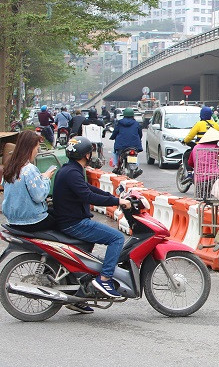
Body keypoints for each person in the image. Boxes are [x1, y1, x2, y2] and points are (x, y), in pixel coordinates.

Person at [53, 137, 132, 300]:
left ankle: (80, 297)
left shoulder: (70, 170)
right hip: (74, 223)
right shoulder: (73, 173)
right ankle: (104, 280)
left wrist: (114, 197)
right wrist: (117, 201)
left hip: (70, 220)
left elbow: (90, 189)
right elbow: (88, 196)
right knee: (116, 238)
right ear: (87, 155)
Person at [1, 131, 57, 232]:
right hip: (31, 221)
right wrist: (46, 178)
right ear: (30, 148)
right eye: (37, 148)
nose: (37, 152)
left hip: (13, 220)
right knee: (62, 220)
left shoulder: (10, 166)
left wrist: (39, 177)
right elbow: (39, 196)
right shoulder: (29, 169)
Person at [110, 107, 143, 177]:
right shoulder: (136, 124)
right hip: (134, 146)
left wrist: (112, 137)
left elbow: (115, 132)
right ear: (133, 115)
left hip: (122, 146)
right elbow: (140, 134)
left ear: (124, 115)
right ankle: (136, 168)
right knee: (135, 155)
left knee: (115, 153)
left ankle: (116, 166)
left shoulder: (119, 123)